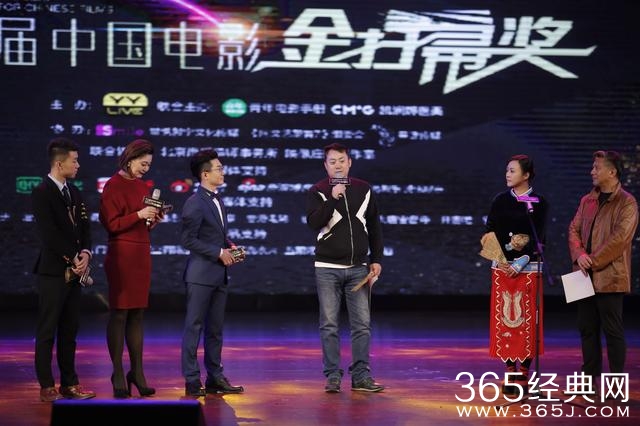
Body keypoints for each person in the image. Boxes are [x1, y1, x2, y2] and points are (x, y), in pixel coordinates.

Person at [305, 142, 384, 393]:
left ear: (349, 162)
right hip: (327, 267)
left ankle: (361, 376)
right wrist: (333, 197)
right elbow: (314, 222)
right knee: (329, 324)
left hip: (359, 268)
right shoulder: (317, 190)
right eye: (332, 162)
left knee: (362, 324)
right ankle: (332, 375)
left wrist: (376, 259)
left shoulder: (364, 189)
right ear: (325, 165)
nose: (337, 165)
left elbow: (374, 225)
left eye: (341, 160)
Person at [32, 137, 96, 401]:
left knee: (70, 330)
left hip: (76, 270)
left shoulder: (75, 192)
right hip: (53, 271)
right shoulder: (42, 192)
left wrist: (86, 253)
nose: (78, 165)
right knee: (48, 330)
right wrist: (73, 257)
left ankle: (70, 384)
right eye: (74, 161)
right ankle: (47, 386)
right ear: (59, 164)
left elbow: (85, 228)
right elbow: (49, 234)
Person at [567, 150, 638, 388]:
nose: (592, 172)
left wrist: (592, 260)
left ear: (612, 171)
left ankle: (615, 385)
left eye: (597, 168)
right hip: (581, 273)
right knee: (586, 329)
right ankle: (588, 380)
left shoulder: (627, 202)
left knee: (612, 331)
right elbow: (573, 229)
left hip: (610, 276)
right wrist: (579, 255)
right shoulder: (587, 200)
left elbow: (620, 239)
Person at [99, 139, 162, 398]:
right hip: (121, 254)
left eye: (149, 165)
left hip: (141, 252)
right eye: (143, 164)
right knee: (120, 313)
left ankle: (137, 372)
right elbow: (112, 224)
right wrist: (138, 215)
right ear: (130, 159)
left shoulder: (141, 186)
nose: (146, 169)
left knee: (137, 313)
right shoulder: (113, 185)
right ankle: (117, 372)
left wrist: (152, 219)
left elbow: (141, 223)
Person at [180, 149, 244, 397]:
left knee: (215, 330)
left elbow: (215, 234)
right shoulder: (195, 202)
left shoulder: (218, 200)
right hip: (200, 276)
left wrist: (229, 246)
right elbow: (188, 240)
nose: (222, 171)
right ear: (205, 174)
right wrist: (218, 252)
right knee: (194, 327)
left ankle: (215, 377)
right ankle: (191, 380)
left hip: (219, 275)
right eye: (219, 168)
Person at [483, 154, 548, 394]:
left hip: (528, 269)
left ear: (526, 174)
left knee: (528, 320)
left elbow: (540, 236)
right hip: (502, 268)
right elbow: (489, 231)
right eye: (507, 170)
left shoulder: (539, 202)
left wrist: (521, 262)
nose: (507, 174)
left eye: (512, 171)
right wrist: (500, 260)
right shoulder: (500, 200)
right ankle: (510, 368)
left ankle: (525, 371)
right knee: (506, 319)